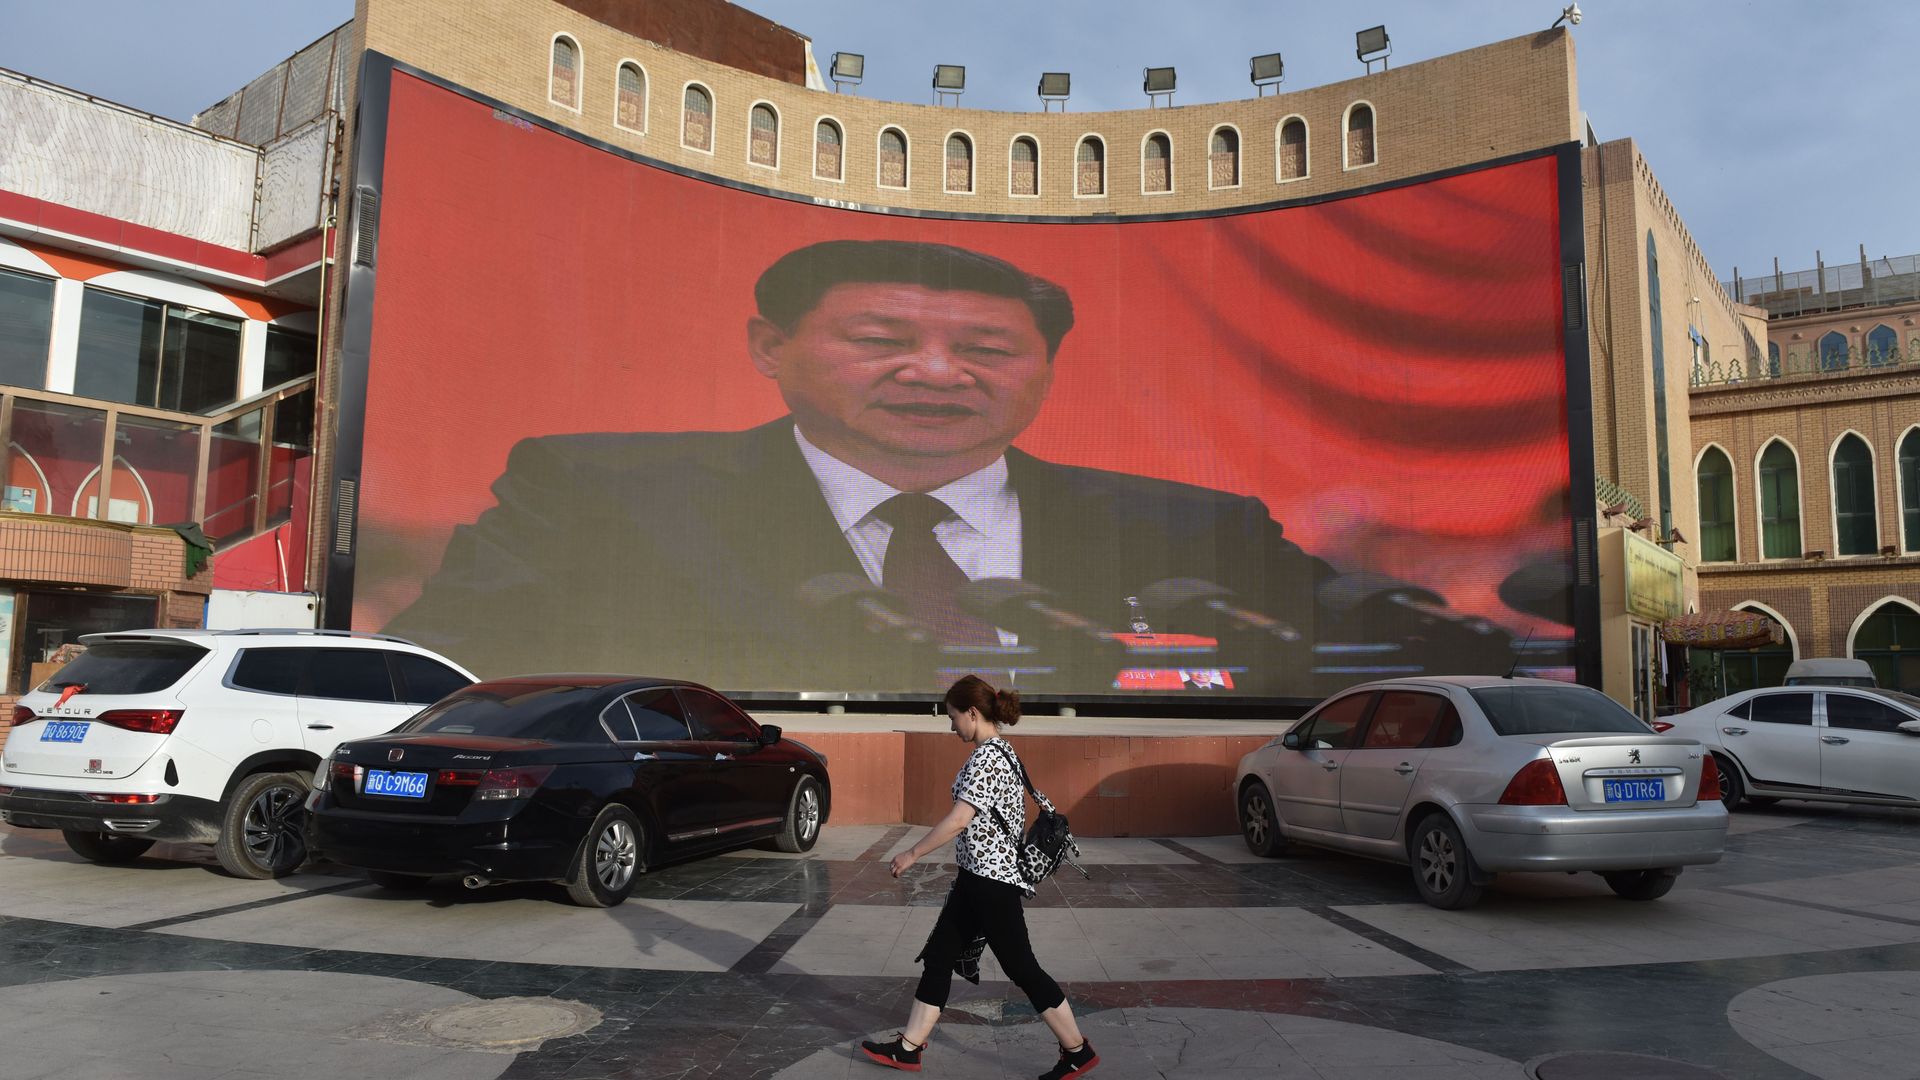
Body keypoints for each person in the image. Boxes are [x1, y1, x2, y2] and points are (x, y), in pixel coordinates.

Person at [383, 239, 1505, 694]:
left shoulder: (1184, 524)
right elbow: (451, 665)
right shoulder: (595, 490)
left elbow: (1342, 625)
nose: (936, 373)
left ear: (1044, 370)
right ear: (769, 348)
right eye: (882, 341)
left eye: (984, 349)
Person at [859, 674, 1098, 1079]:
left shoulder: (986, 758)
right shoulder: (1004, 752)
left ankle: (1076, 1050)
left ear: (972, 713)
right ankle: (909, 1049)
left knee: (1022, 967)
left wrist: (912, 853)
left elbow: (958, 821)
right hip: (976, 879)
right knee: (938, 958)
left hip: (991, 883)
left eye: (953, 717)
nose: (952, 726)